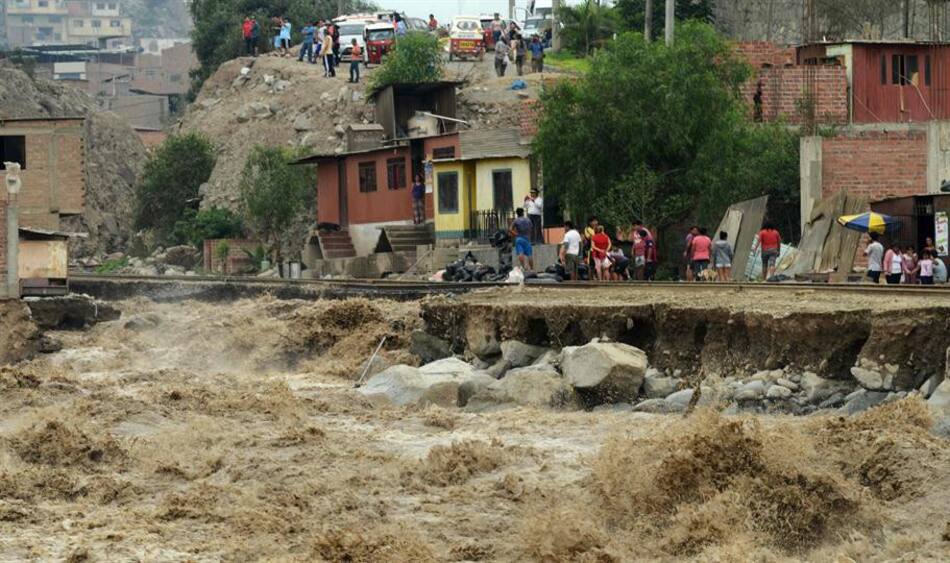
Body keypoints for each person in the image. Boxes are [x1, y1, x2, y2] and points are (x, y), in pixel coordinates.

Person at [511, 208, 535, 272]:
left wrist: (516, 234)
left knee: (520, 253)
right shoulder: (528, 220)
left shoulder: (516, 221)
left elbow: (510, 229)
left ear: (517, 213)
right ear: (523, 213)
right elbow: (531, 228)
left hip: (519, 238)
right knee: (529, 255)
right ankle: (532, 269)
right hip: (527, 239)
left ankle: (523, 267)